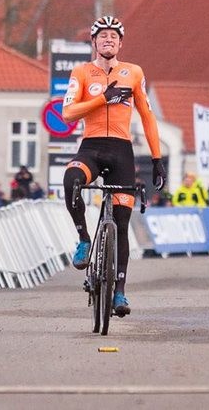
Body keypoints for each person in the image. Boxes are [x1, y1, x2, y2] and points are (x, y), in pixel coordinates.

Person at [61, 16, 165, 319]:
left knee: (121, 223)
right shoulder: (81, 72)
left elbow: (147, 117)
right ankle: (83, 238)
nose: (108, 40)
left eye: (113, 37)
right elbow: (68, 112)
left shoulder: (133, 73)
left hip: (122, 151)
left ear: (120, 43)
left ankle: (119, 291)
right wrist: (102, 99)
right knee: (72, 180)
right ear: (94, 43)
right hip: (92, 147)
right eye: (102, 36)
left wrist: (157, 159)